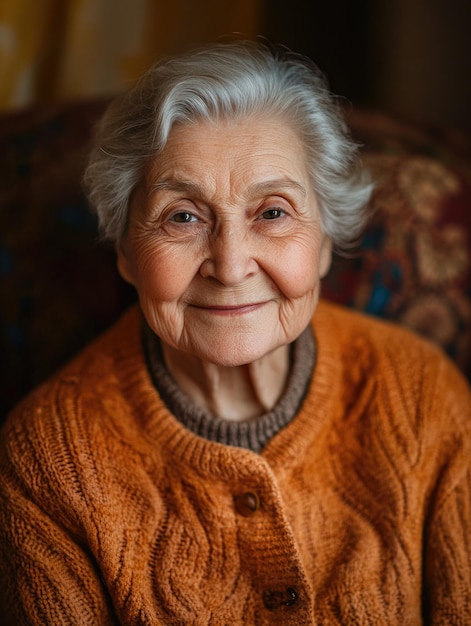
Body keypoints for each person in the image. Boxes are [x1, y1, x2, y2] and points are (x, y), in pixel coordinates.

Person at [0, 39, 470, 625]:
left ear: (323, 243)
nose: (230, 264)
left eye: (272, 212)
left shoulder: (424, 395)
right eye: (184, 216)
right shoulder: (47, 464)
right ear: (125, 251)